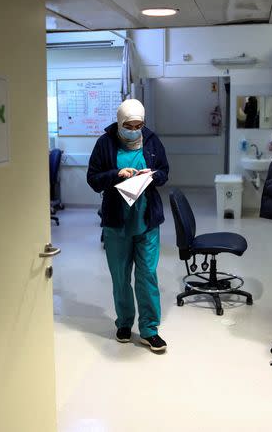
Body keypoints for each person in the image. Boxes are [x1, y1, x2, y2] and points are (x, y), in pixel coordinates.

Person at [87, 99, 170, 353]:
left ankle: (149, 330)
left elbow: (165, 172)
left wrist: (152, 175)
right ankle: (124, 323)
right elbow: (93, 179)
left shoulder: (152, 140)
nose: (134, 130)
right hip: (117, 223)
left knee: (147, 276)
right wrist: (116, 174)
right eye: (129, 125)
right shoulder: (105, 144)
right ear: (120, 122)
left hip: (146, 221)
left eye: (139, 125)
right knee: (120, 278)